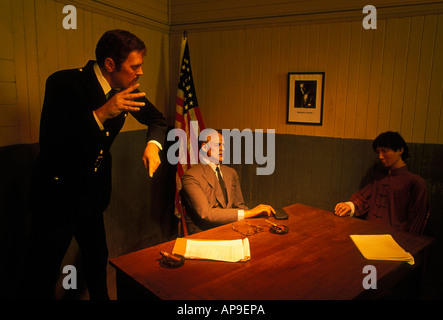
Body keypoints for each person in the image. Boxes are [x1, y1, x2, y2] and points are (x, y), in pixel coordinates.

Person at [21, 30, 167, 299]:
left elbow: (157, 120)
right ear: (110, 65)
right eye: (135, 66)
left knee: (97, 262)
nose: (141, 72)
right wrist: (101, 114)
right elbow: (52, 142)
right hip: (56, 197)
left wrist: (152, 145)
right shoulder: (64, 83)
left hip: (91, 195)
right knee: (42, 271)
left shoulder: (127, 89)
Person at [181, 130, 275, 234]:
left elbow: (240, 206)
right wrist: (251, 213)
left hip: (232, 228)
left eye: (224, 145)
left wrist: (256, 219)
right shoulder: (191, 176)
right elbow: (207, 214)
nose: (223, 149)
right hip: (205, 234)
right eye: (218, 145)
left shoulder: (231, 173)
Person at [334, 131, 429, 233]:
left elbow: (417, 221)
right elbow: (365, 197)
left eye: (384, 151)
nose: (380, 156)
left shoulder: (416, 183)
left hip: (396, 237)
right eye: (378, 152)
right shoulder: (379, 177)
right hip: (368, 230)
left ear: (400, 150)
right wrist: (350, 205)